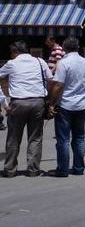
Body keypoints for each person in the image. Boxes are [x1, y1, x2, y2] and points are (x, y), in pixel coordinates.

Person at [0, 40, 53, 177]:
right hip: (37, 102)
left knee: (13, 138)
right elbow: (51, 80)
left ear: (15, 51)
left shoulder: (11, 64)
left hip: (18, 103)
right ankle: (33, 169)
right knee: (35, 137)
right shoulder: (40, 61)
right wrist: (46, 98)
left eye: (11, 53)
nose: (11, 55)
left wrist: (3, 102)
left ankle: (10, 169)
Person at [47, 37, 85, 177]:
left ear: (64, 48)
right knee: (79, 138)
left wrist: (51, 103)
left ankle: (63, 169)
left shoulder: (64, 63)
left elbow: (58, 85)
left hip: (65, 105)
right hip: (82, 105)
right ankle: (78, 168)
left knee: (63, 139)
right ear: (77, 47)